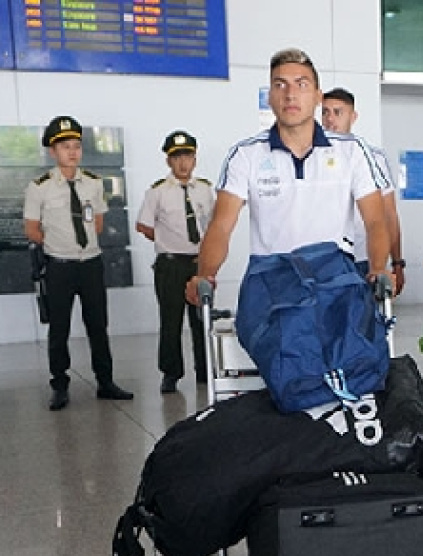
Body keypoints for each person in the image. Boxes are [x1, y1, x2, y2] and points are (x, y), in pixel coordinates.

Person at [185, 48, 389, 306]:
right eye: (280, 85)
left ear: (317, 97)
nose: (290, 94)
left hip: (335, 285)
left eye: (301, 85)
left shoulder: (352, 151)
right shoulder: (246, 155)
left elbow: (375, 220)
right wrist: (205, 275)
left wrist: (378, 269)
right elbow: (221, 225)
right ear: (270, 97)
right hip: (272, 286)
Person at [23, 115, 134, 410]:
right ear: (53, 151)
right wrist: (57, 246)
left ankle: (105, 382)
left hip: (90, 264)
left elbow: (97, 224)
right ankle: (59, 385)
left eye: (76, 146)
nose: (72, 152)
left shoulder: (93, 184)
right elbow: (31, 230)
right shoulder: (39, 187)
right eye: (65, 147)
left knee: (98, 325)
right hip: (59, 266)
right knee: (59, 328)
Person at [136, 130, 215, 394]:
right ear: (169, 161)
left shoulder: (204, 189)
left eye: (188, 156)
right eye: (177, 157)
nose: (183, 163)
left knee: (201, 319)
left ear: (195, 159)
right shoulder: (158, 191)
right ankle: (171, 373)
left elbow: (213, 225)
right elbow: (143, 225)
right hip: (170, 264)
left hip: (199, 263)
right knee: (171, 321)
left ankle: (205, 370)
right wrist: (167, 241)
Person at [321, 87, 405, 294]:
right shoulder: (312, 156)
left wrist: (397, 262)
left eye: (338, 112)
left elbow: (389, 214)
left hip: (364, 259)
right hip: (325, 260)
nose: (330, 119)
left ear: (353, 117)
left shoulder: (374, 158)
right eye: (325, 112)